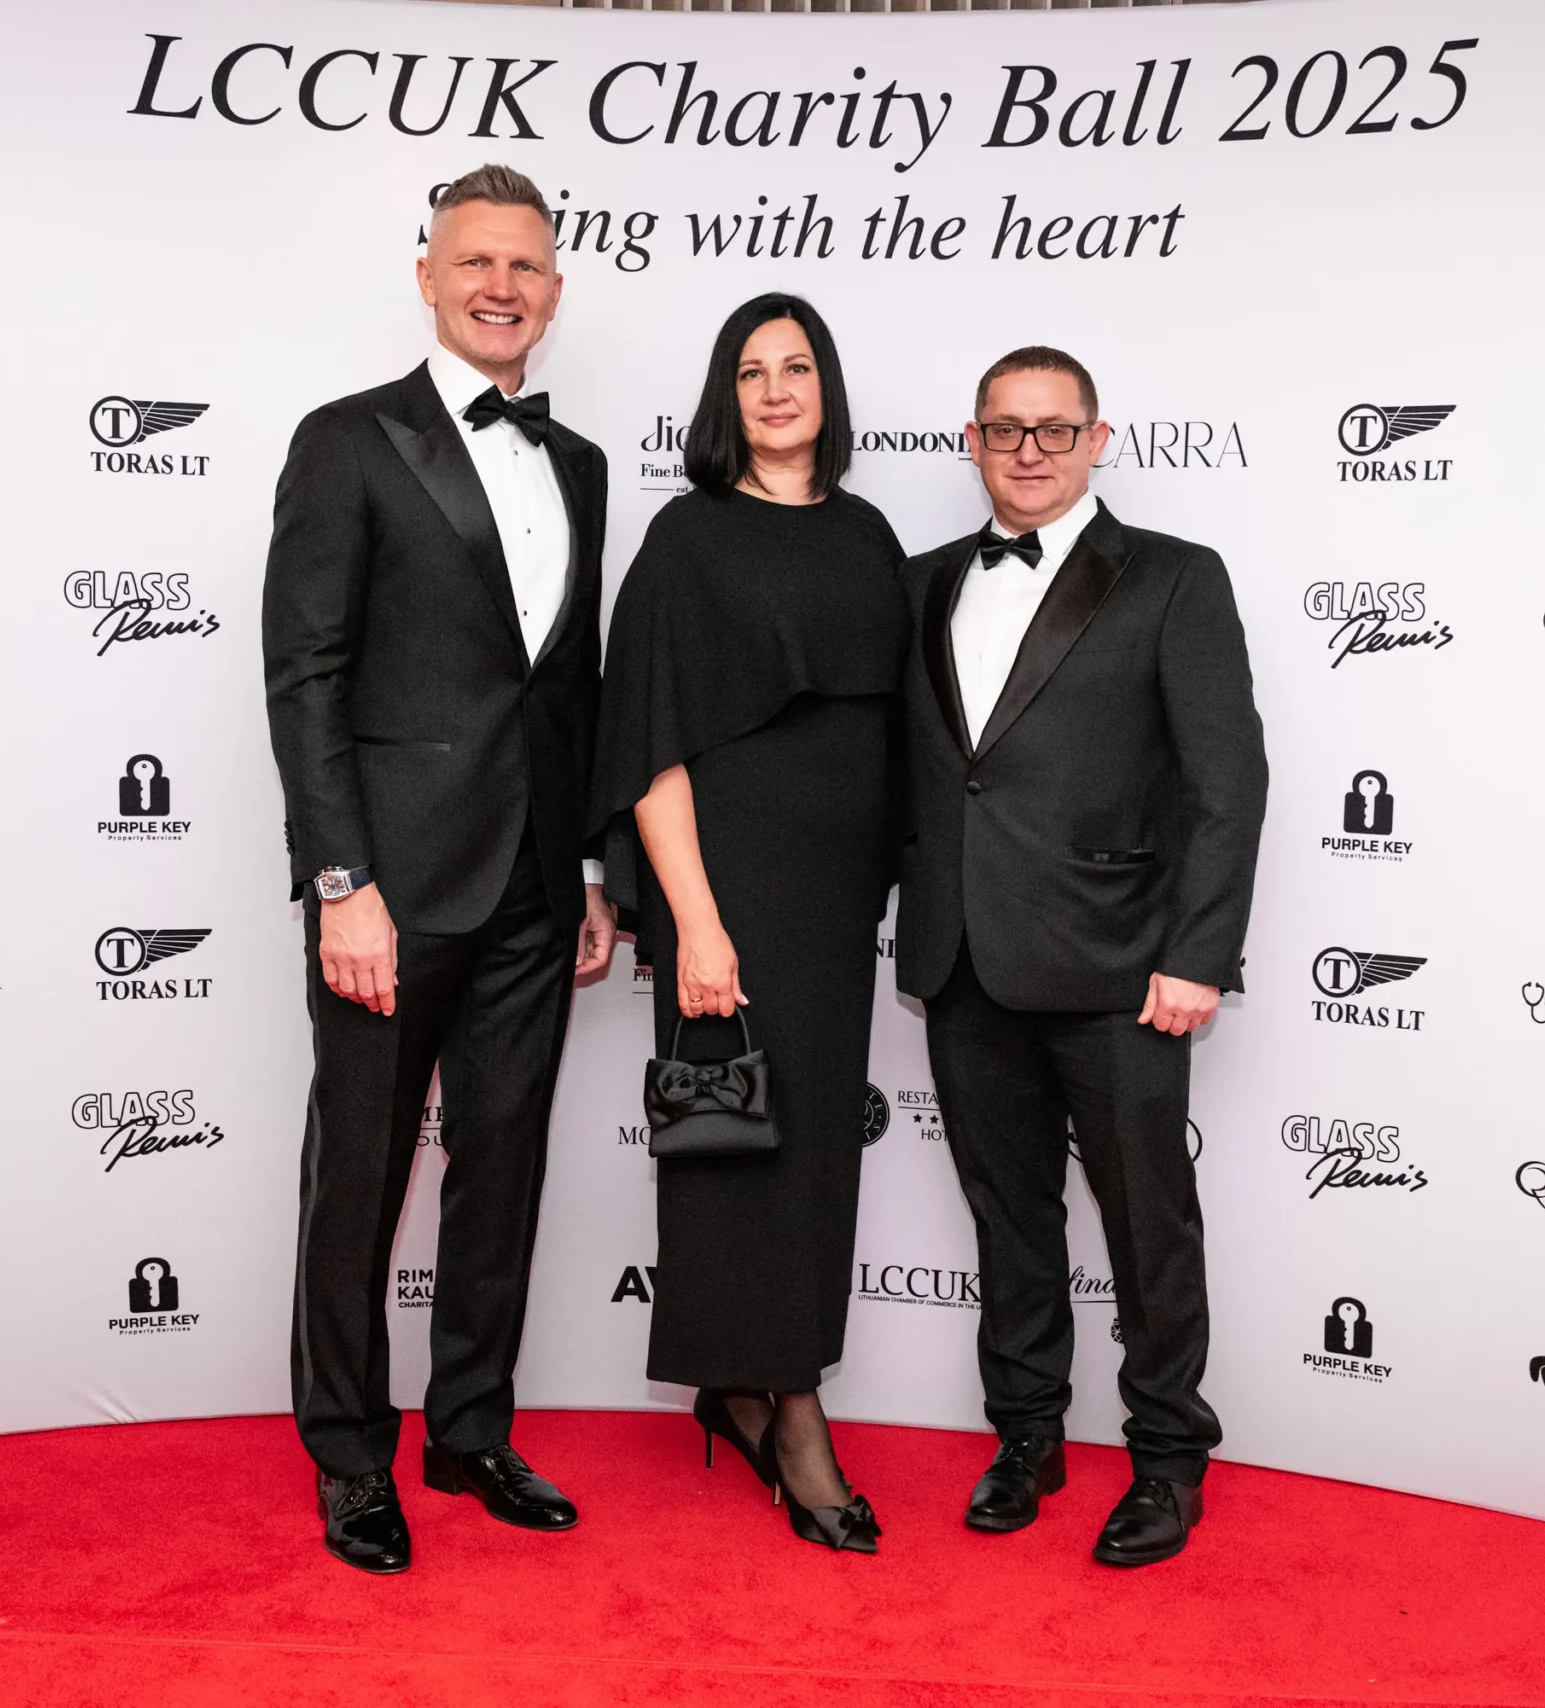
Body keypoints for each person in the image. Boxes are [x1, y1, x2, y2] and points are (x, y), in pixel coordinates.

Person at [260, 163, 618, 1576]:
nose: (499, 287)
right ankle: (351, 1455)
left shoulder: (579, 463)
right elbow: (305, 674)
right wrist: (340, 882)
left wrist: (583, 867)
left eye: (523, 265)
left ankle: (470, 1428)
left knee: (504, 1167)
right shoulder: (347, 441)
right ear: (426, 277)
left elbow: (567, 688)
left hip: (533, 885)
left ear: (554, 290)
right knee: (359, 1179)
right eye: (474, 261)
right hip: (391, 895)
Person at [896, 346, 1265, 1567]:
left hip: (1122, 970)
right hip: (964, 961)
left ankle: (1167, 1459)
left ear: (1097, 441)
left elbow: (1227, 781)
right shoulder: (921, 582)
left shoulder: (1173, 577)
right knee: (1008, 1219)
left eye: (1054, 429)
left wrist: (1197, 954)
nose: (1030, 451)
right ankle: (1027, 1436)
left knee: (1147, 1227)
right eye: (1005, 429)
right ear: (973, 441)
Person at [591, 293, 908, 1553]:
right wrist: (696, 925)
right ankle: (791, 1410)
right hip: (725, 893)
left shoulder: (869, 534)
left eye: (797, 366)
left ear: (827, 388)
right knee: (732, 1145)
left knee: (814, 1147)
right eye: (750, 370)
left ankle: (738, 1381)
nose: (776, 389)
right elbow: (650, 749)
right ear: (725, 397)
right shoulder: (687, 539)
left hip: (835, 902)